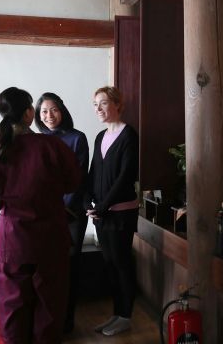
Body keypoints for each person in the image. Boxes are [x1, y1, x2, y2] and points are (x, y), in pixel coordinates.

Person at [0, 87, 80, 344]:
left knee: (13, 310)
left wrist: (12, 206)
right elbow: (72, 182)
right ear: (29, 113)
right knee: (49, 309)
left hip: (13, 240)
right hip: (50, 238)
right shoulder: (51, 146)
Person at [86, 86, 139, 336]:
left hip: (121, 212)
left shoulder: (129, 135)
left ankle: (126, 316)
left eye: (103, 103)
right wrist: (88, 203)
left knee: (122, 263)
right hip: (102, 214)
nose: (98, 108)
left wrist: (103, 206)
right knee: (109, 264)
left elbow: (125, 176)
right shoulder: (99, 136)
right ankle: (116, 314)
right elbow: (93, 173)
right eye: (95, 104)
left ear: (117, 104)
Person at [34, 92, 89, 334]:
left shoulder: (77, 138)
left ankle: (67, 322)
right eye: (44, 111)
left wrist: (62, 208)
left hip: (71, 215)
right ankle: (48, 322)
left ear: (63, 110)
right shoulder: (35, 140)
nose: (49, 116)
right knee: (47, 270)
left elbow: (78, 178)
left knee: (69, 267)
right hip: (44, 217)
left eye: (53, 110)